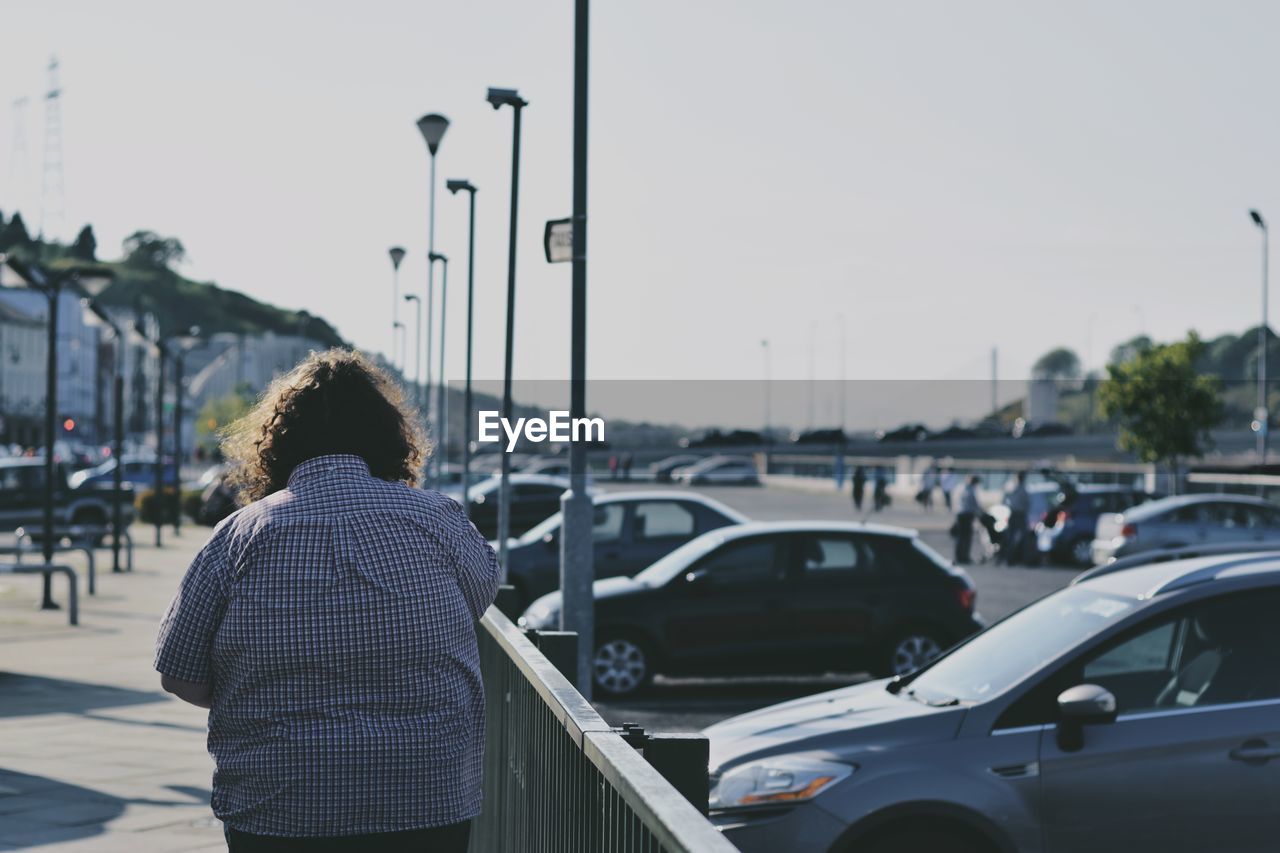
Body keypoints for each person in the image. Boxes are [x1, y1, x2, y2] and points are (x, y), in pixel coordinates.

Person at [154, 350, 500, 853]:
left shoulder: (240, 536)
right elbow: (479, 598)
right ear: (389, 437)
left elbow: (177, 673)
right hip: (425, 796)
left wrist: (261, 693)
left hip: (280, 805)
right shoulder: (439, 520)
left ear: (275, 444)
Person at [1001, 471, 1031, 565]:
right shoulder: (1022, 489)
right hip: (1019, 514)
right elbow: (1027, 504)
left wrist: (1008, 506)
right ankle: (1019, 559)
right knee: (1021, 538)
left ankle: (1011, 559)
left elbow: (1005, 499)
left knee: (1012, 538)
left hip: (1015, 513)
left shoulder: (1013, 487)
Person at [954, 474, 983, 564]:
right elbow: (975, 504)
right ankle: (964, 557)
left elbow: (955, 500)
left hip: (959, 514)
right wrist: (981, 514)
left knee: (960, 537)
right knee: (967, 537)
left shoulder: (960, 488)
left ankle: (959, 557)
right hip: (967, 515)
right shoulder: (971, 490)